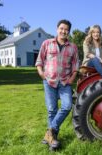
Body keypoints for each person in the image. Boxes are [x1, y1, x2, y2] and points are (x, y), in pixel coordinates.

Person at [35, 19, 79, 150]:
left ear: (68, 32)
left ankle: (49, 133)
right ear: (57, 29)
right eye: (61, 28)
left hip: (65, 82)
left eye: (66, 29)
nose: (63, 31)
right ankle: (53, 141)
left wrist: (72, 79)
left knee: (66, 106)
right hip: (49, 81)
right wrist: (41, 74)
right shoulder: (47, 43)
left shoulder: (73, 47)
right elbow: (39, 61)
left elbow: (76, 64)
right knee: (52, 110)